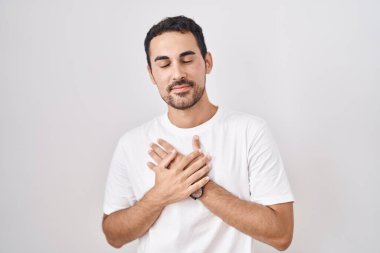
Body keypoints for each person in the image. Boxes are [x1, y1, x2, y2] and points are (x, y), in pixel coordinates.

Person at [102, 15, 294, 252]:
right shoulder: (131, 143)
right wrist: (159, 195)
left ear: (208, 62)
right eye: (164, 64)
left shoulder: (250, 131)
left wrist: (199, 186)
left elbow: (281, 234)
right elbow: (113, 235)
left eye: (187, 59)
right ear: (152, 74)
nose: (177, 74)